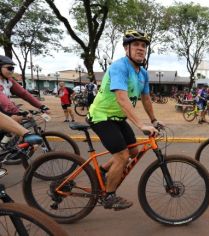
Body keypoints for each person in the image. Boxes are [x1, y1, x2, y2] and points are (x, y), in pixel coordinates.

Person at [87, 29, 162, 210]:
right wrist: (141, 125)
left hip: (118, 118)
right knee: (122, 156)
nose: (140, 49)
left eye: (143, 46)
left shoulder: (143, 73)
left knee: (133, 151)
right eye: (135, 44)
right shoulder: (119, 67)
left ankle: (103, 172)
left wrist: (153, 120)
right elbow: (121, 98)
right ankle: (109, 196)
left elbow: (146, 99)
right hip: (101, 116)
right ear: (126, 48)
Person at [0, 55, 49, 123]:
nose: (12, 71)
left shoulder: (9, 80)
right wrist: (18, 112)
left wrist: (41, 106)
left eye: (13, 68)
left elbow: (24, 94)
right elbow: (4, 101)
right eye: (9, 68)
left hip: (5, 111)